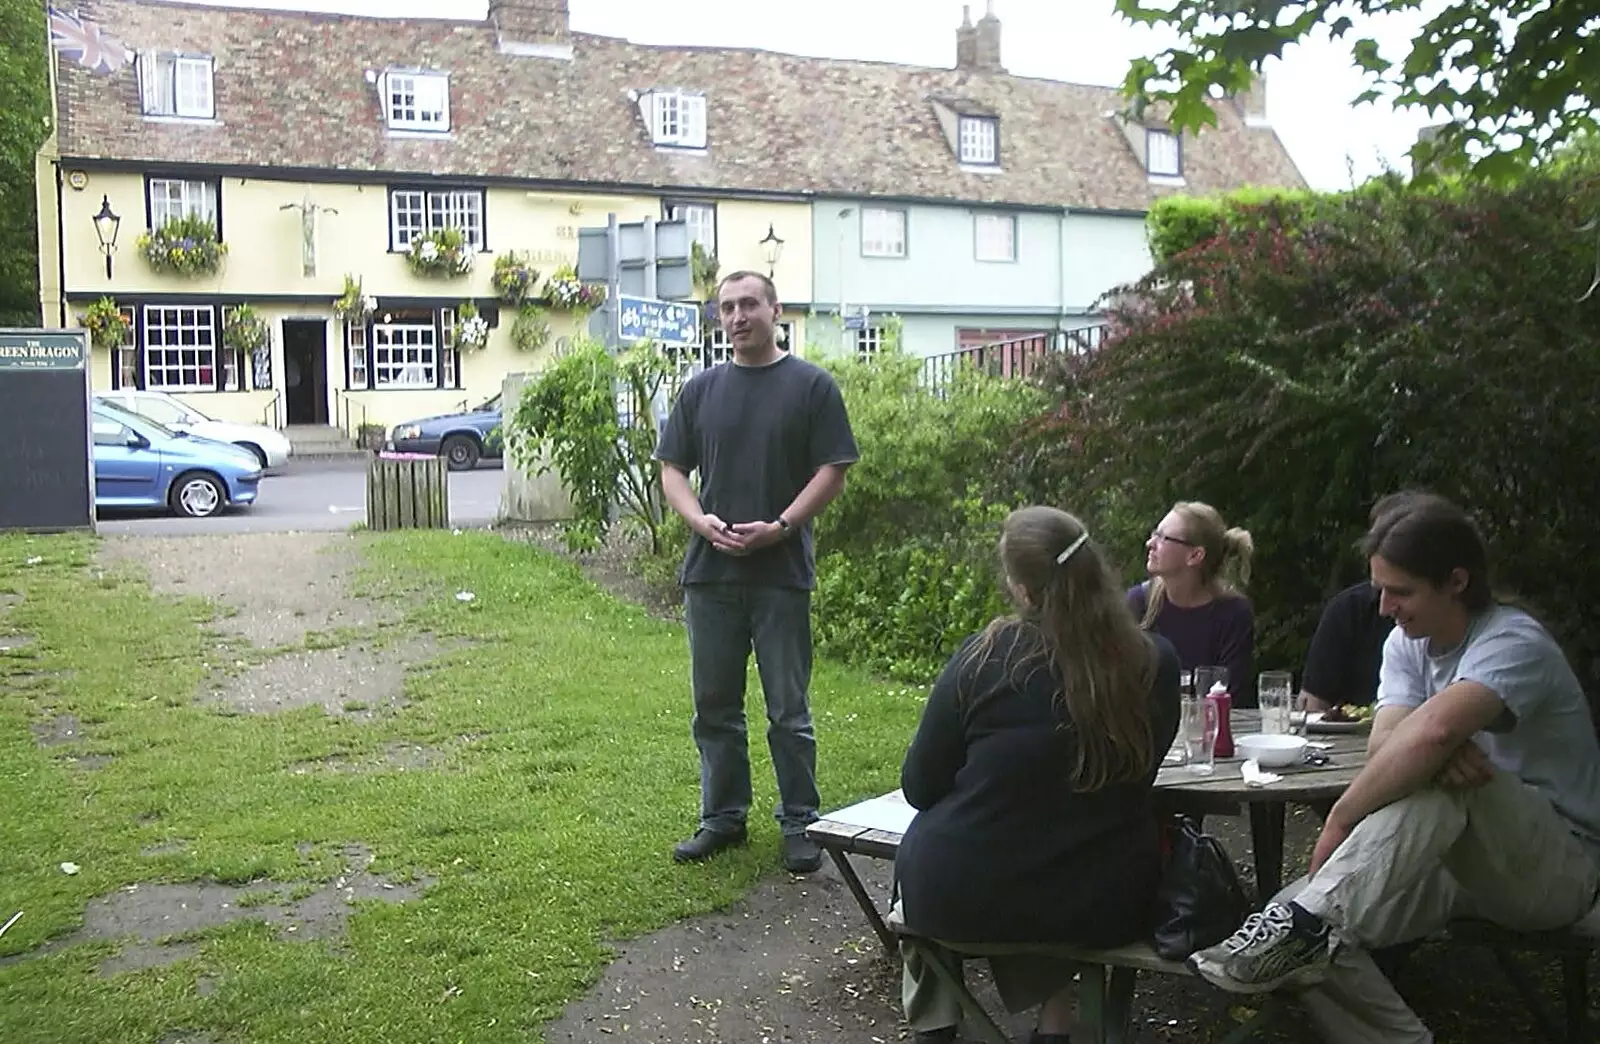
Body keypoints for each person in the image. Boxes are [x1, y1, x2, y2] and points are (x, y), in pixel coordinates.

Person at [1189, 493, 1600, 1043]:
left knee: (1449, 785)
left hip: (1556, 869)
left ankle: (1311, 918)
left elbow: (1430, 734)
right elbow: (1389, 747)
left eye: (1400, 591)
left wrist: (1339, 820)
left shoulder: (1513, 641)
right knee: (1300, 930)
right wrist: (1428, 748)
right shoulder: (1409, 643)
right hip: (1452, 867)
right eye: (1380, 588)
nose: (1383, 607)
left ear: (1456, 581)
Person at [894, 506, 1182, 1044]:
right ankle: (1056, 1025)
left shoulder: (984, 658)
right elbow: (1139, 777)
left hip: (962, 894)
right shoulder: (1152, 663)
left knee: (948, 850)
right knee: (1057, 849)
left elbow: (920, 786)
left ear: (1024, 590)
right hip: (1103, 900)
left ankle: (936, 1026)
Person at [654, 271, 860, 874]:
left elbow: (833, 470)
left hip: (780, 572)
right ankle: (723, 817)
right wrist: (700, 521)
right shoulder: (701, 391)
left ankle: (800, 821)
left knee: (787, 709)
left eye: (749, 304)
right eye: (727, 308)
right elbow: (672, 470)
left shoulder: (812, 387)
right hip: (710, 575)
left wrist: (783, 525)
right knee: (714, 706)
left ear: (776, 309)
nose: (738, 316)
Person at [1128, 500, 1257, 706]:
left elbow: (1231, 699)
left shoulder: (1233, 613)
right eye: (1155, 533)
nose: (1150, 543)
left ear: (1195, 555)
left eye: (1163, 538)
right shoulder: (1138, 603)